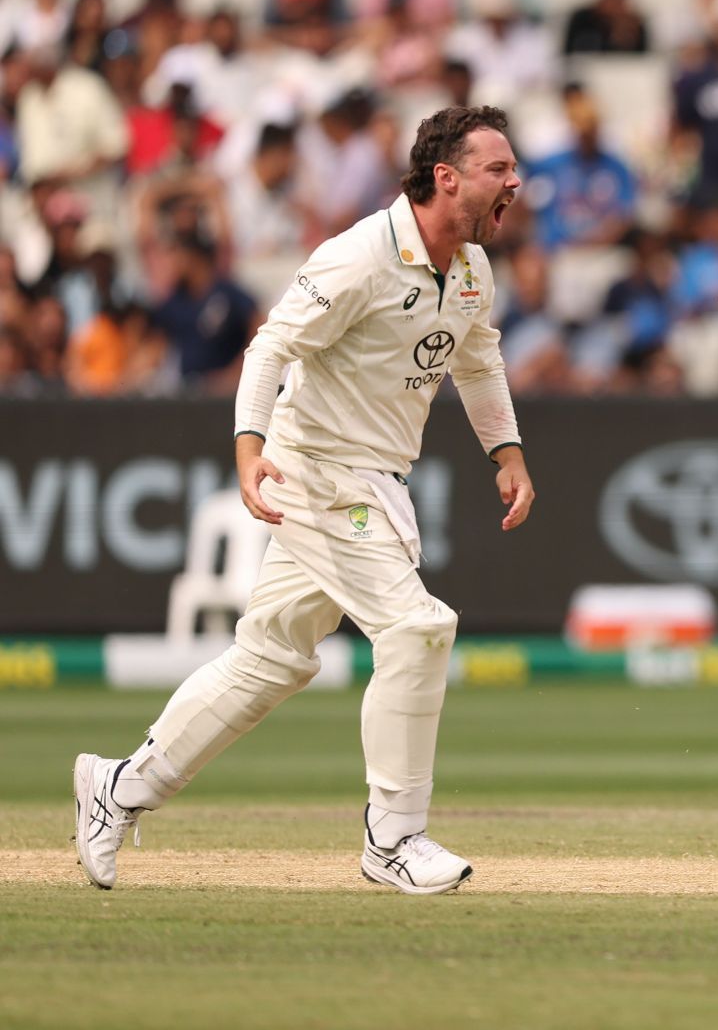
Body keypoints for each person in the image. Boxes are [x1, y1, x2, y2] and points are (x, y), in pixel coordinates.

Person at [73, 106, 537, 896]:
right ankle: (393, 837)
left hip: (375, 476)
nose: (515, 181)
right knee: (420, 628)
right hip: (316, 470)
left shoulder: (469, 270)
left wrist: (507, 451)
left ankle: (117, 787)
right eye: (499, 169)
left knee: (270, 659)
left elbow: (479, 358)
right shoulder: (359, 256)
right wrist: (249, 449)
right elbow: (270, 346)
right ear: (447, 177)